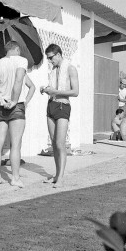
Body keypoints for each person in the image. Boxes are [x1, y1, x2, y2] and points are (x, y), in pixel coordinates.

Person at [0, 40, 35, 188]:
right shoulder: (21, 61)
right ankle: (15, 178)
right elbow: (19, 80)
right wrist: (16, 101)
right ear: (17, 49)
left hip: (0, 104)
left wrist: (1, 99)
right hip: (16, 105)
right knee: (15, 145)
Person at [40, 44, 79, 187]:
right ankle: (56, 175)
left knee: (60, 143)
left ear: (58, 54)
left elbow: (75, 92)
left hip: (63, 106)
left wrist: (55, 91)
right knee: (53, 144)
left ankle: (61, 177)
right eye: (48, 59)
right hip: (51, 105)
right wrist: (45, 89)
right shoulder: (53, 70)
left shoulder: (70, 68)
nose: (50, 61)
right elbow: (54, 89)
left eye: (51, 58)